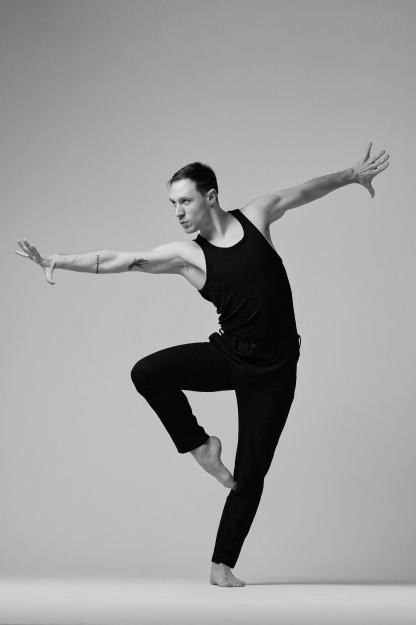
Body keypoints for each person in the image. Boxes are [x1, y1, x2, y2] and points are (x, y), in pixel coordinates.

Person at [16, 143, 389, 587]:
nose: (177, 212)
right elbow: (119, 259)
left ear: (210, 196)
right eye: (172, 203)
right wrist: (58, 260)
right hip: (230, 355)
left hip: (276, 370)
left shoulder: (257, 216)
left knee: (251, 472)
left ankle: (221, 565)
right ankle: (200, 446)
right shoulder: (188, 256)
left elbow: (306, 190)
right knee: (147, 372)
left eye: (185, 201)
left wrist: (351, 175)